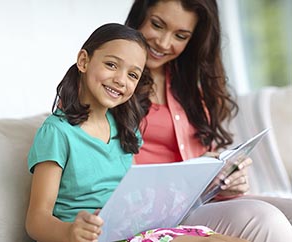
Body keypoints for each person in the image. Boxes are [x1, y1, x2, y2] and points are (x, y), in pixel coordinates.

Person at [25, 23, 248, 242]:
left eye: (133, 75)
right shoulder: (57, 132)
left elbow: (132, 196)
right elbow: (36, 221)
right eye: (112, 65)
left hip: (135, 231)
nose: (121, 80)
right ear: (84, 61)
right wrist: (70, 232)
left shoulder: (124, 127)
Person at [124, 0, 292, 241]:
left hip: (198, 203)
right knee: (266, 222)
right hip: (152, 213)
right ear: (140, 15)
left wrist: (226, 177)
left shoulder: (191, 88)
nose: (163, 43)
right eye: (157, 25)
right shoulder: (113, 81)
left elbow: (205, 159)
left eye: (180, 36)